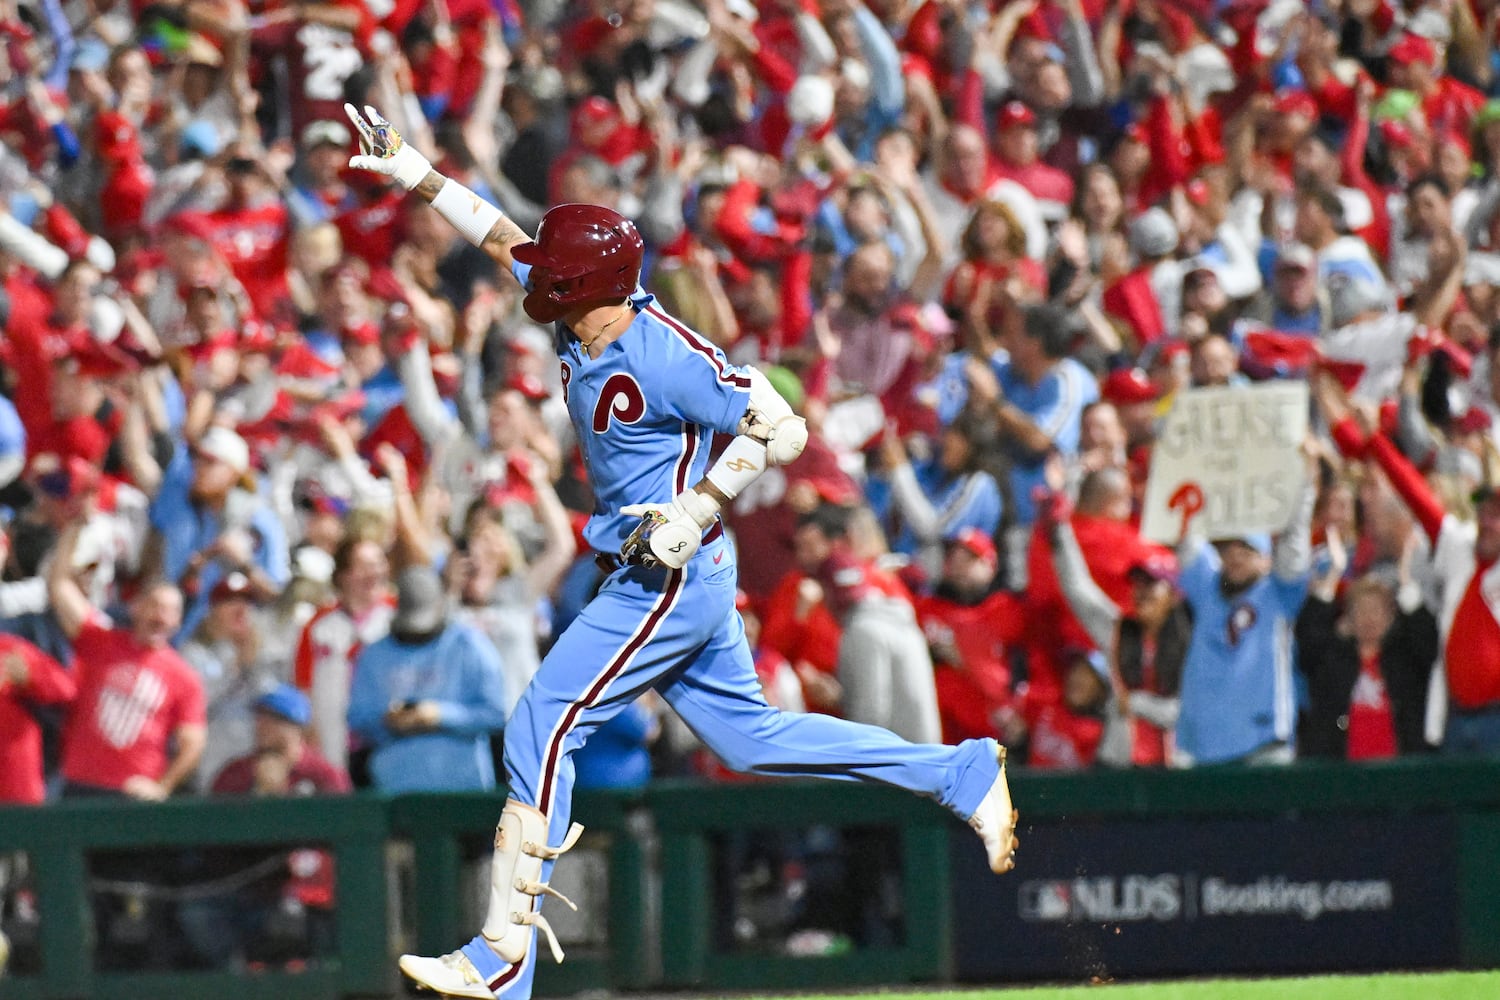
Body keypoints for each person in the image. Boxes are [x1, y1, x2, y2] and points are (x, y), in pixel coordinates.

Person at [341, 102, 1018, 998]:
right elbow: (505, 235)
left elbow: (777, 424)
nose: (535, 278)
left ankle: (503, 955)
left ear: (588, 283)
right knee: (752, 739)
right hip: (667, 568)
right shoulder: (584, 315)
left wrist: (695, 507)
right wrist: (414, 171)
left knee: (541, 723)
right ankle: (956, 771)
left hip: (666, 572)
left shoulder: (658, 350)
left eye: (555, 274)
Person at [346, 566, 511, 793]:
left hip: (465, 791)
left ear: (440, 606)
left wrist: (439, 715)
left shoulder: (469, 645)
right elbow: (357, 718)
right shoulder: (374, 655)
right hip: (396, 792)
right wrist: (389, 720)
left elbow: (495, 713)